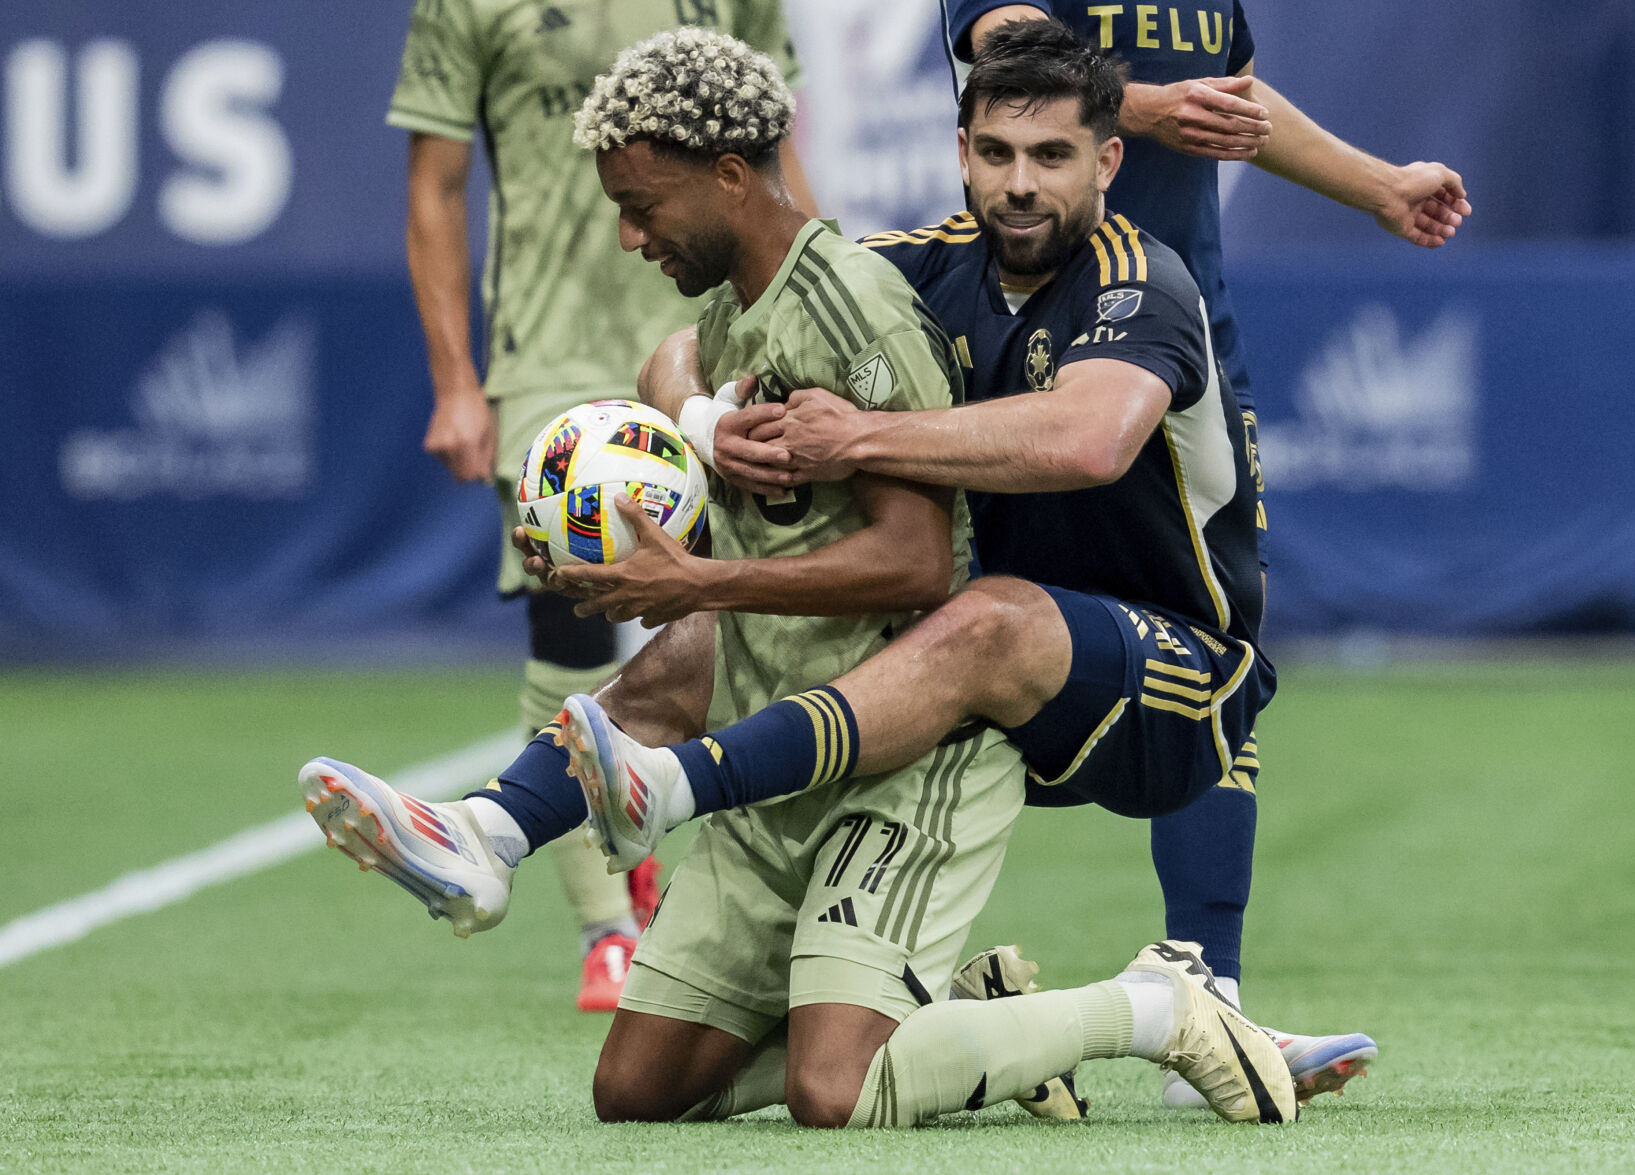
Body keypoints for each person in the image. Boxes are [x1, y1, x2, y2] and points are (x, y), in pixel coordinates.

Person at [302, 27, 1295, 1130]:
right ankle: (492, 829)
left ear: (1105, 165)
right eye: (997, 153)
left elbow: (1088, 439)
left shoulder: (1137, 280)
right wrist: (708, 425)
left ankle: (1149, 997)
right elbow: (710, 338)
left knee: (976, 615)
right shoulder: (921, 261)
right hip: (981, 666)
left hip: (1170, 675)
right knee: (642, 1073)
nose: (1020, 183)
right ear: (960, 152)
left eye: (1052, 156)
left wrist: (856, 439)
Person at [906, 2, 1474, 1106]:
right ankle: (917, 977)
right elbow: (1003, 66)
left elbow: (1235, 105)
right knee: (940, 645)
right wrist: (1144, 107)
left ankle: (1207, 997)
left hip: (1184, 352)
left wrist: (1379, 185)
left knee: (1213, 652)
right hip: (1016, 339)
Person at [386, 0, 812, 1009]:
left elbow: (776, 157)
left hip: (712, 327)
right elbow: (435, 190)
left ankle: (741, 902)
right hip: (553, 359)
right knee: (572, 612)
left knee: (751, 608)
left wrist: (807, 286)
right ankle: (607, 925)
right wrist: (455, 380)